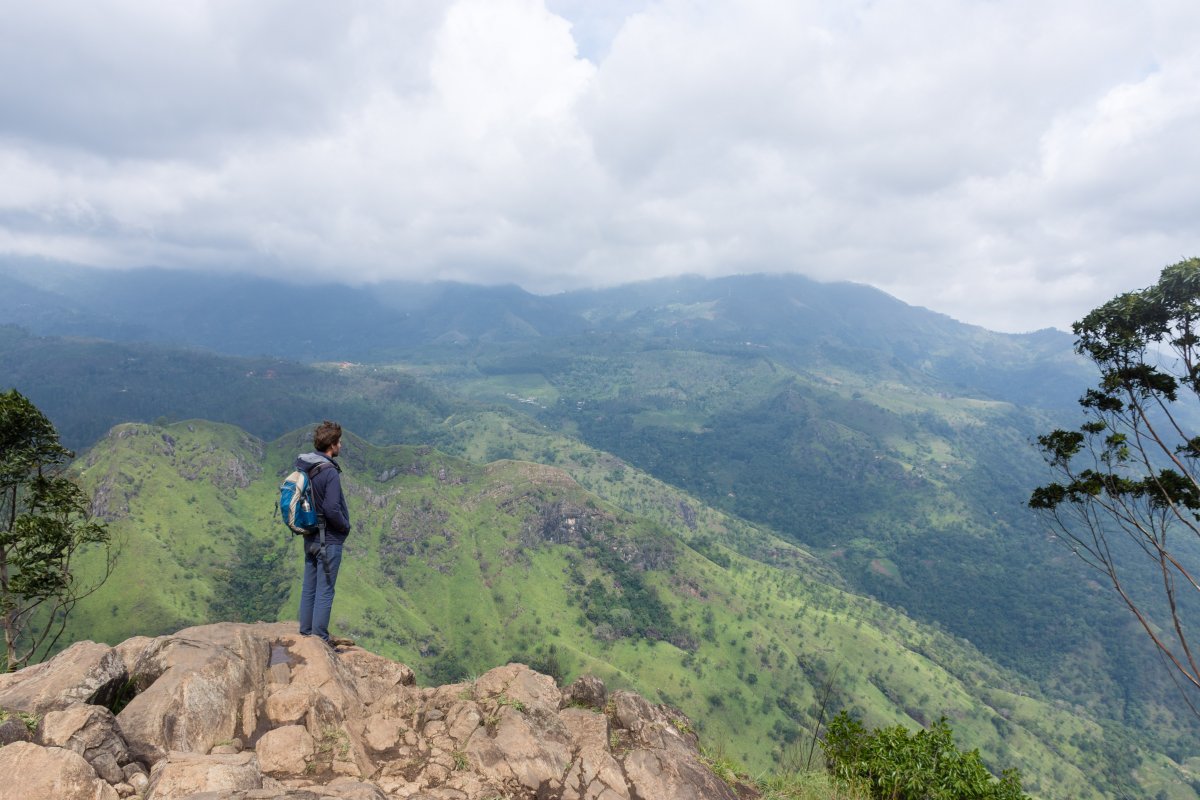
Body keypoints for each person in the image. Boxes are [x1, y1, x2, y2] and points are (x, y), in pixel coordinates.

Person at [296, 420, 354, 650]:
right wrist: (344, 527)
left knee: (309, 585)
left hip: (310, 536)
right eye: (339, 442)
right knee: (326, 589)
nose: (340, 445)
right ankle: (319, 639)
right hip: (328, 539)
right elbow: (331, 508)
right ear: (332, 445)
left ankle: (306, 630)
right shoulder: (329, 472)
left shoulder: (307, 467)